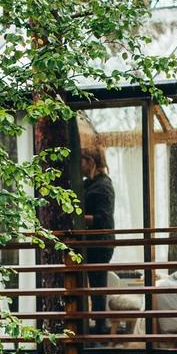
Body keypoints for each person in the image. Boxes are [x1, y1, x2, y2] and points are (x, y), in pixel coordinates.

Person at [80, 142, 115, 336]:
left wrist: (78, 218)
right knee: (93, 286)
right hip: (90, 243)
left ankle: (100, 329)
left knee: (98, 286)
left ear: (91, 162)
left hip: (100, 244)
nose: (80, 166)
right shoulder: (89, 184)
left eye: (82, 162)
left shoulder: (103, 186)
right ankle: (96, 326)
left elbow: (104, 219)